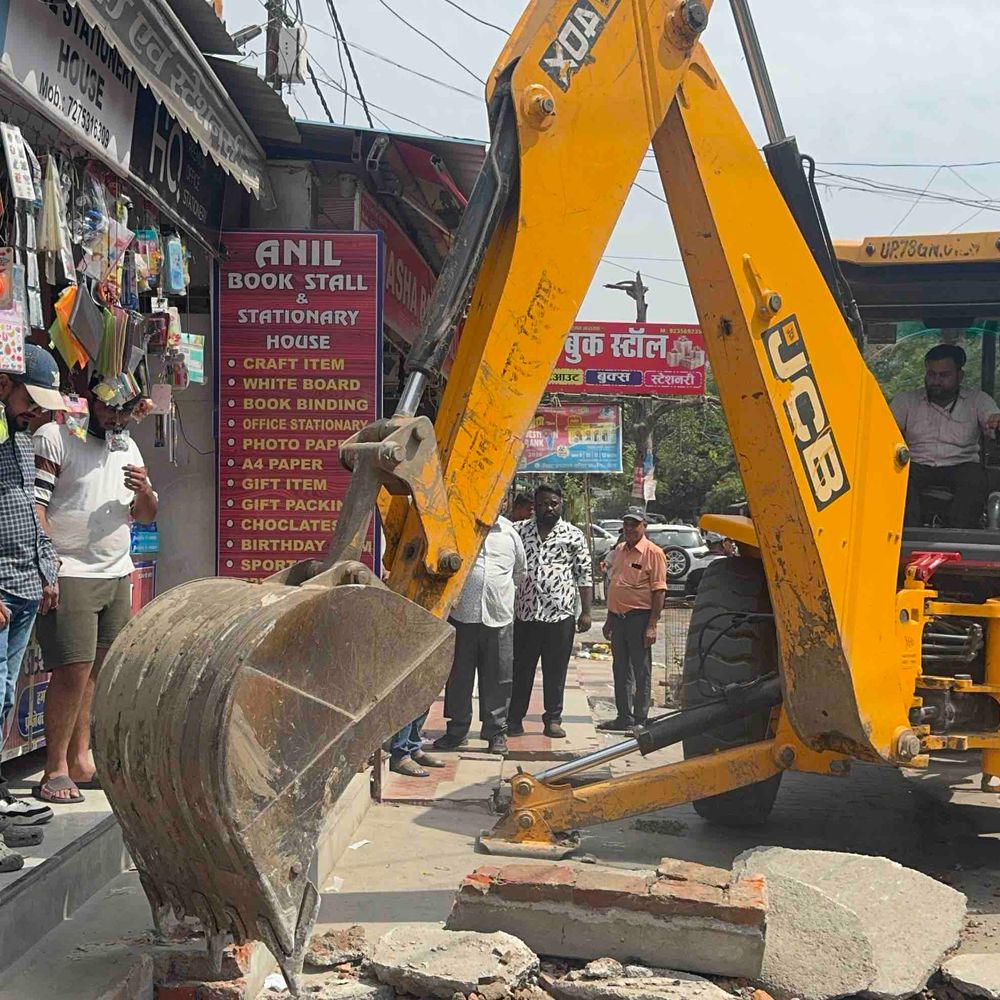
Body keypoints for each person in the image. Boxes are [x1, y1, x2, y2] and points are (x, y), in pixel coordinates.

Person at [32, 388, 158, 804]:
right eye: (108, 407)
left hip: (116, 571)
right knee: (72, 669)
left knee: (99, 671)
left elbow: (145, 513)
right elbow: (36, 505)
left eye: (124, 410)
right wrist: (48, 565)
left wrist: (144, 491)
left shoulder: (129, 446)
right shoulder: (56, 436)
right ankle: (55, 768)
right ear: (89, 400)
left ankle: (81, 759)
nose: (116, 418)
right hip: (71, 571)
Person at [0, 344, 68, 845]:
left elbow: (31, 511)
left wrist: (48, 573)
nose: (36, 410)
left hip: (26, 587)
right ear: (5, 386)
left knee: (4, 697)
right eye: (31, 399)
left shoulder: (24, 441)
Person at [433, 515, 526, 756]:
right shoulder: (460, 526)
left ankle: (496, 733)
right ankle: (457, 731)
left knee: (498, 677)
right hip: (462, 615)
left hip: (499, 617)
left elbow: (519, 573)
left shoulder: (510, 533)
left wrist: (499, 593)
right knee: (459, 676)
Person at [508, 484, 592, 739]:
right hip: (526, 615)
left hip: (560, 616)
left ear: (561, 503)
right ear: (535, 506)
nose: (549, 508)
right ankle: (514, 720)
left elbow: (584, 574)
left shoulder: (573, 535)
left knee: (556, 671)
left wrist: (586, 612)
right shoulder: (519, 532)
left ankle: (553, 719)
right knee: (521, 670)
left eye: (554, 503)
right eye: (544, 503)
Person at [891, 344, 1000, 527]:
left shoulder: (977, 400)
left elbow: (992, 421)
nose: (936, 380)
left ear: (960, 375)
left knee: (975, 480)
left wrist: (995, 422)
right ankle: (908, 536)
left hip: (961, 464)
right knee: (897, 477)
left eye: (944, 375)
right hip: (917, 464)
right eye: (932, 374)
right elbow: (885, 428)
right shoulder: (906, 401)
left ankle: (960, 537)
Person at [598, 507, 667, 732]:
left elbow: (659, 592)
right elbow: (614, 584)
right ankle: (623, 717)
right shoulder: (619, 550)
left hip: (640, 618)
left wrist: (652, 625)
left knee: (641, 670)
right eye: (626, 524)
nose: (629, 529)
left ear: (644, 526)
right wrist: (609, 619)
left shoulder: (653, 553)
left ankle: (640, 718)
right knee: (620, 669)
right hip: (618, 619)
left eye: (634, 524)